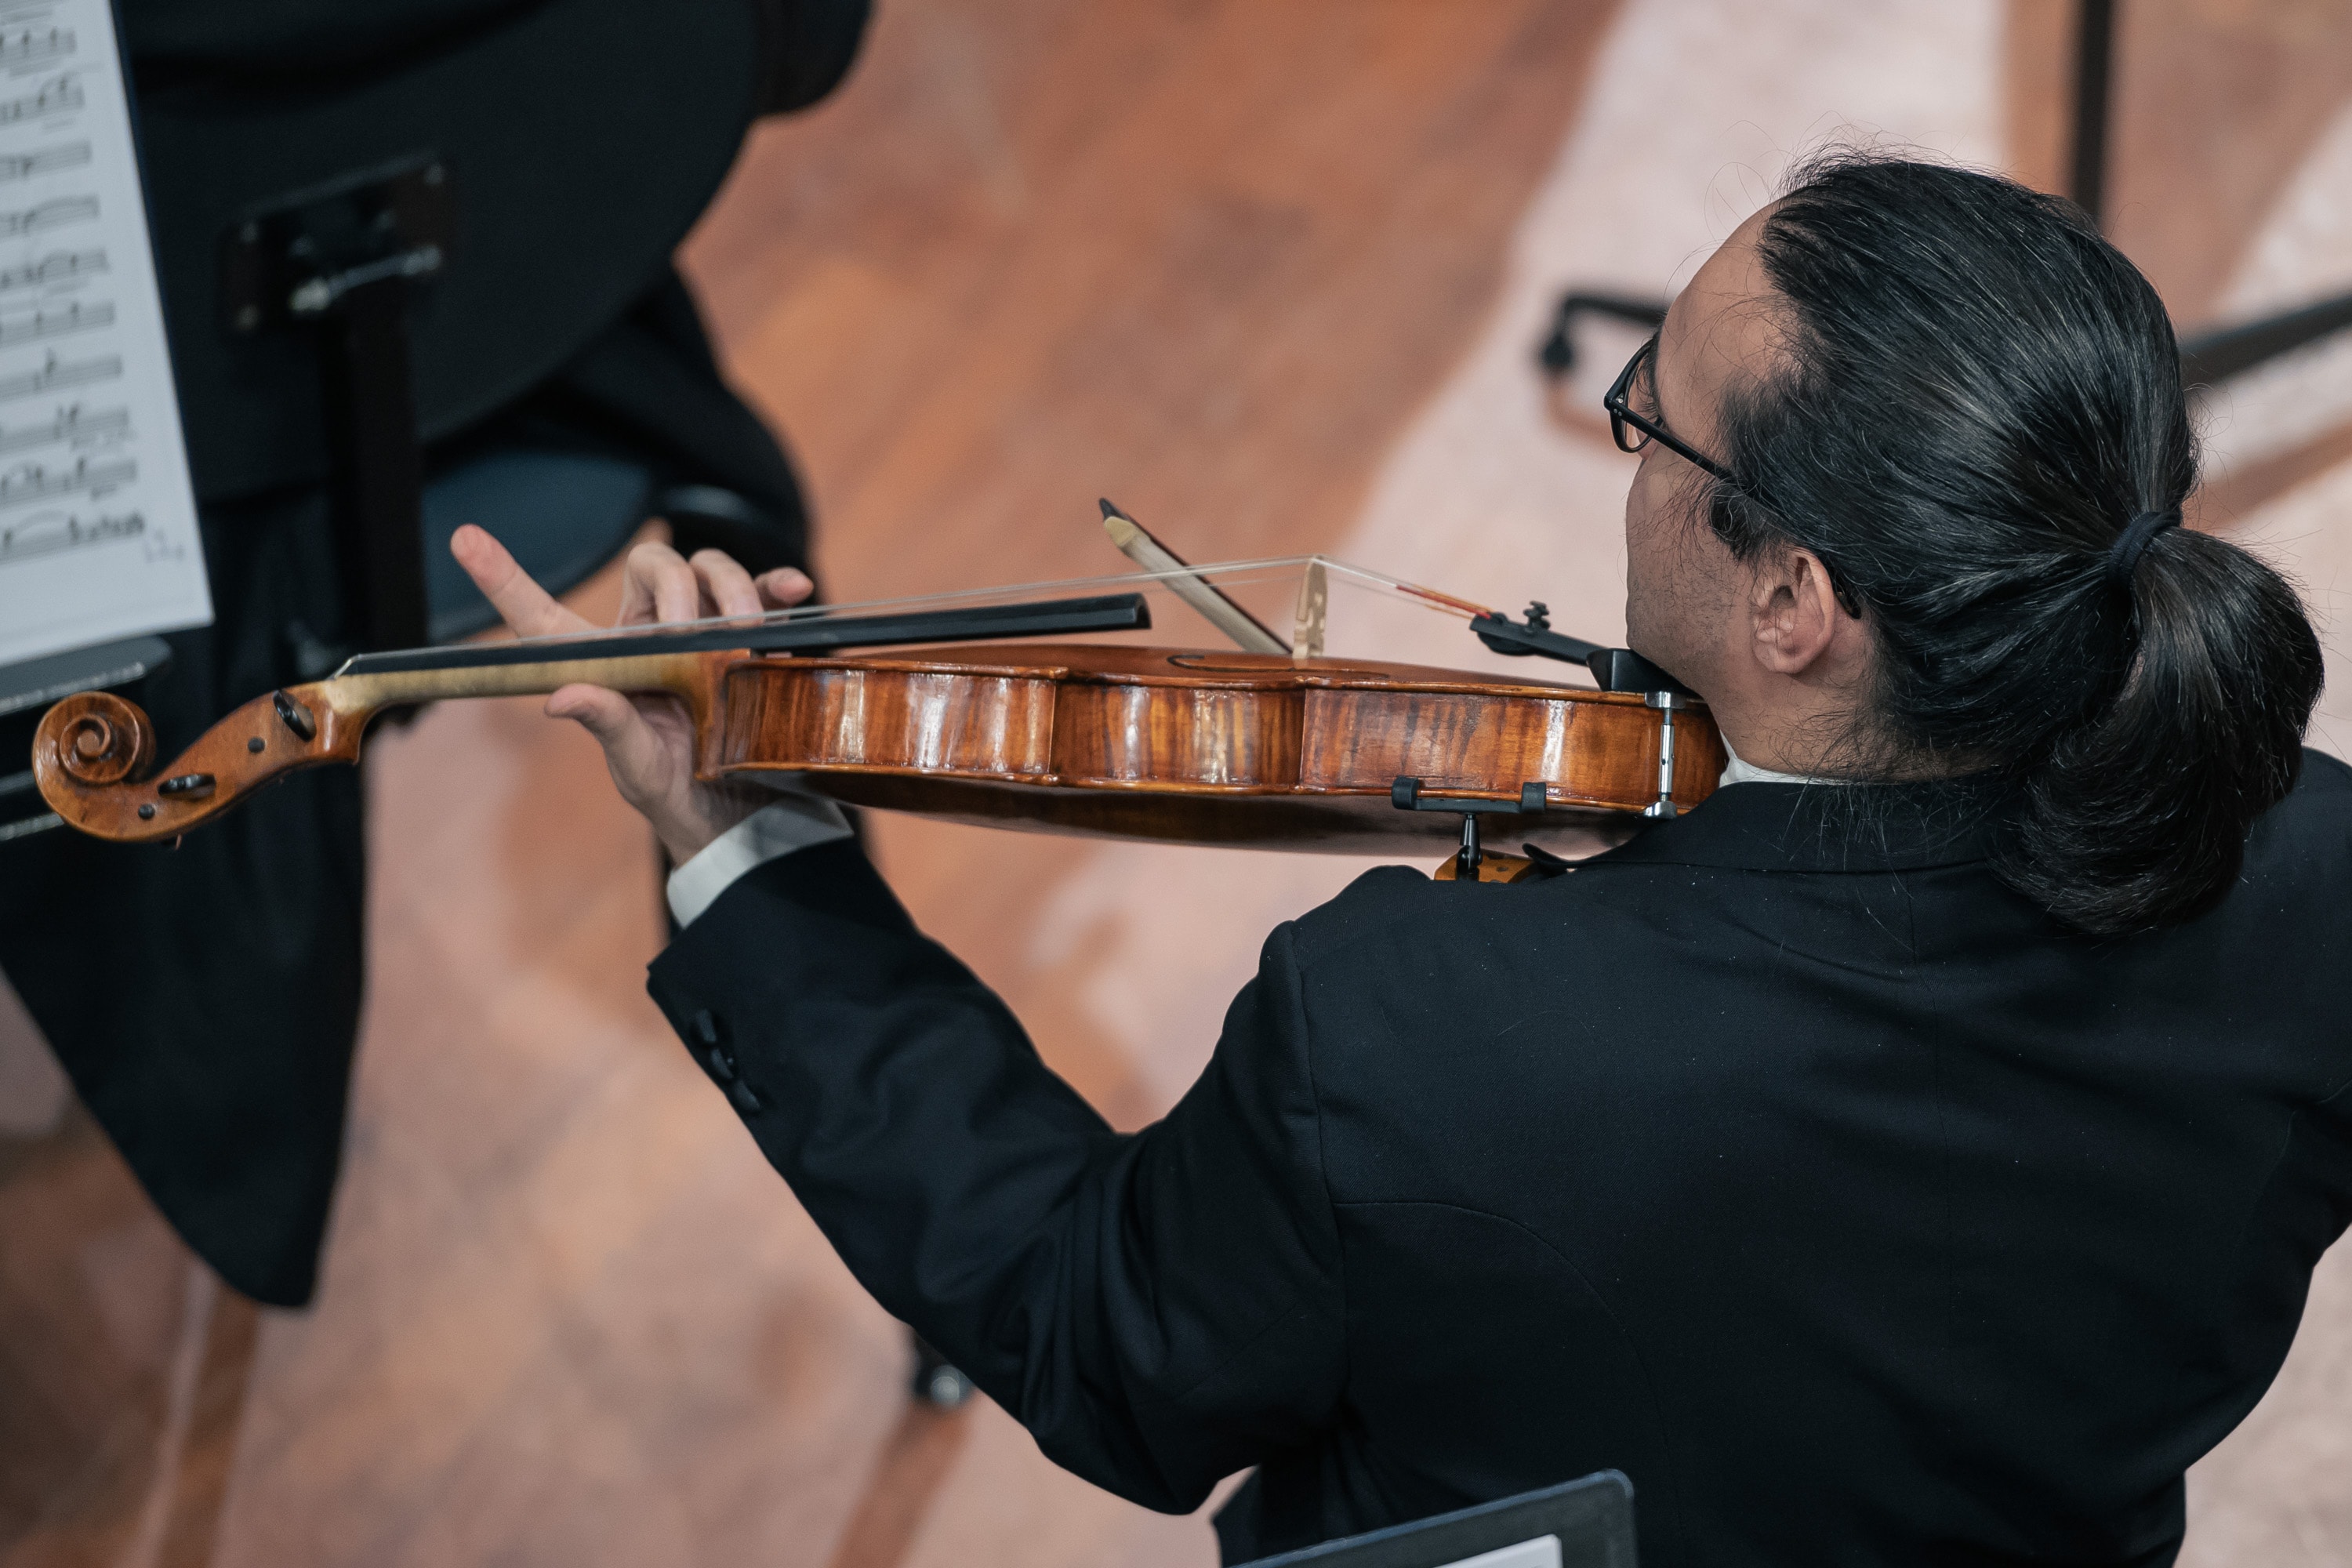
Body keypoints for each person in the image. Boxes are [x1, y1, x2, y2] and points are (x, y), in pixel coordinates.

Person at [452, 153, 2348, 1567]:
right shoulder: (2317, 866)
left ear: (1794, 601)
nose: (1628, 470)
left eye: (1650, 429)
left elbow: (1097, 1340)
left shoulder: (1416, 1037)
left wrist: (747, 850)